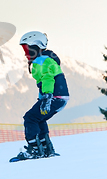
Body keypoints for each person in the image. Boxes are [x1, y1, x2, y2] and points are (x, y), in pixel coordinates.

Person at [14, 31, 69, 160]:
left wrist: (47, 96)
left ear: (36, 47)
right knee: (39, 118)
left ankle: (34, 150)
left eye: (28, 49)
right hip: (61, 97)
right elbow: (43, 82)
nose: (26, 53)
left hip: (54, 96)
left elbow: (47, 79)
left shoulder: (42, 61)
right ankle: (46, 148)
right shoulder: (46, 59)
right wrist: (42, 97)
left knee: (30, 118)